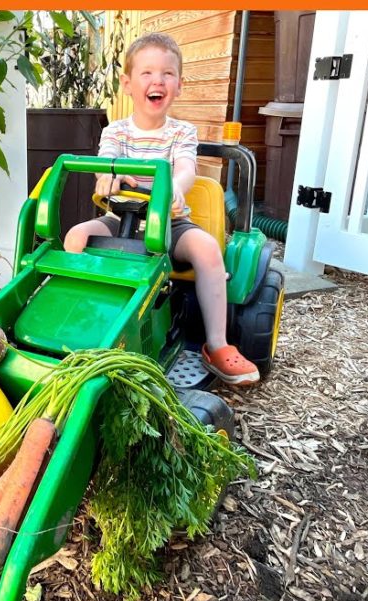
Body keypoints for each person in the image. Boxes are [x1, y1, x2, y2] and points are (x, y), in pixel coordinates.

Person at [63, 32, 260, 386]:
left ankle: (216, 344)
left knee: (208, 250)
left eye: (167, 74)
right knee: (75, 237)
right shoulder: (117, 132)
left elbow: (186, 167)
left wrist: (176, 189)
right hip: (118, 221)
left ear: (179, 85)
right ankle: (76, 320)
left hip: (171, 225)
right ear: (127, 83)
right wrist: (110, 174)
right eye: (147, 73)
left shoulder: (181, 132)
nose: (158, 81)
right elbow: (105, 161)